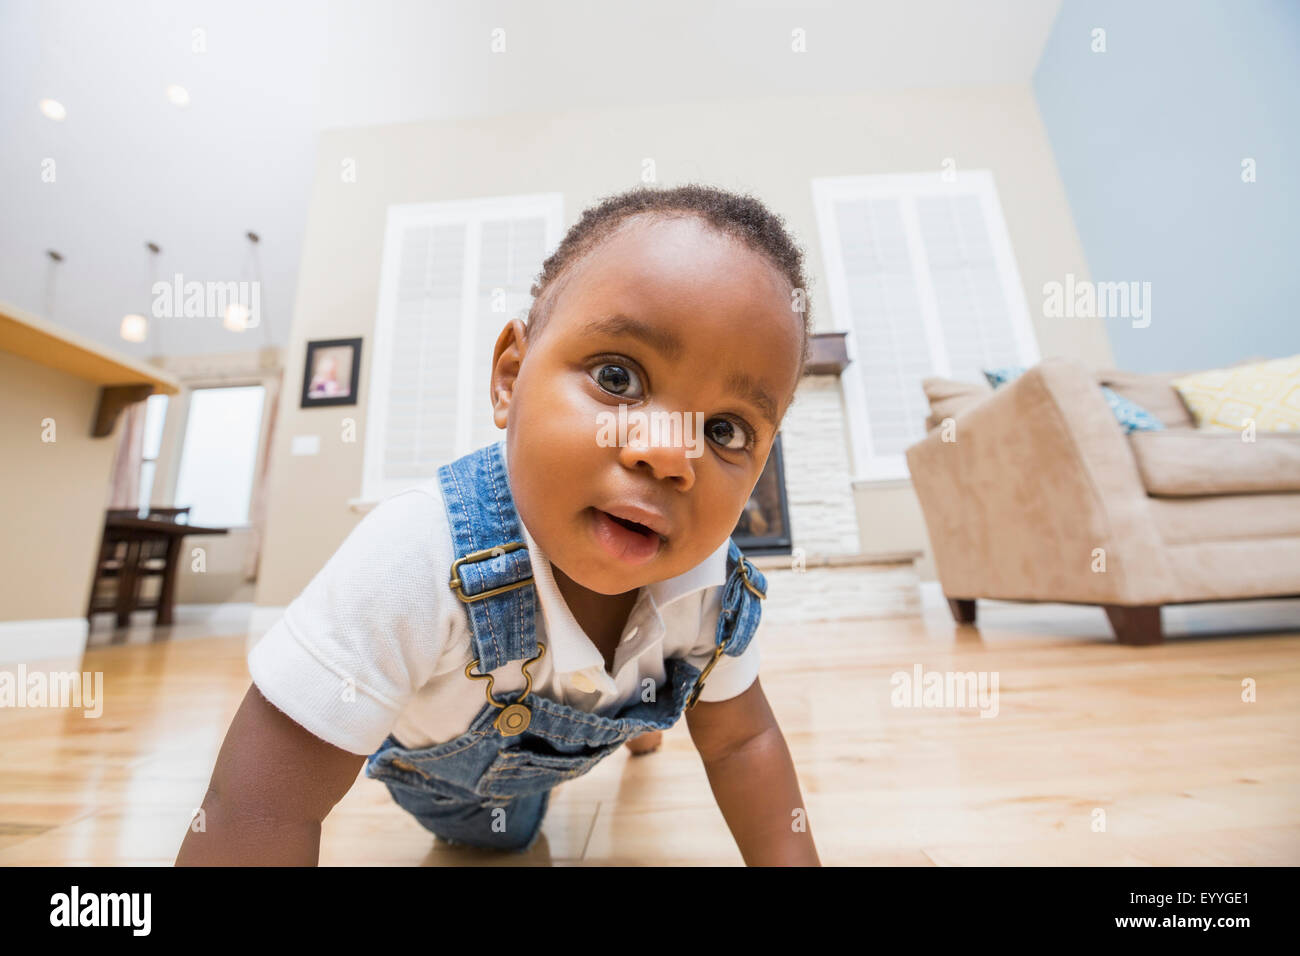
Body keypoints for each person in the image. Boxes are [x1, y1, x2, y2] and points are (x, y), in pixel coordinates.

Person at [176, 183, 820, 866]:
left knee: (662, 683)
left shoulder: (713, 589)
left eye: (723, 429)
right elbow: (258, 807)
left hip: (590, 726)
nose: (668, 452)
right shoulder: (417, 555)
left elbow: (742, 743)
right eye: (617, 377)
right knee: (503, 835)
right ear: (510, 377)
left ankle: (636, 725)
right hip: (457, 786)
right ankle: (616, 734)